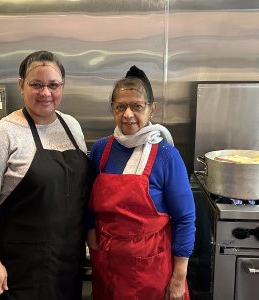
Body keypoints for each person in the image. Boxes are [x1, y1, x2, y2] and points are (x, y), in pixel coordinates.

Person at [0, 50, 93, 300]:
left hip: (67, 261)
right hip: (20, 267)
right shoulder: (2, 133)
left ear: (62, 87)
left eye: (53, 85)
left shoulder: (72, 126)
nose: (45, 93)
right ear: (21, 85)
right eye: (36, 84)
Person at [87, 66, 195, 300]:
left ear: (151, 109)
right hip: (108, 265)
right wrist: (93, 242)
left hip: (151, 268)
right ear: (112, 109)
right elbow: (87, 205)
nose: (127, 114)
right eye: (120, 106)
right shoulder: (100, 150)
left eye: (137, 106)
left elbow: (185, 218)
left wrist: (178, 277)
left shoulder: (167, 155)